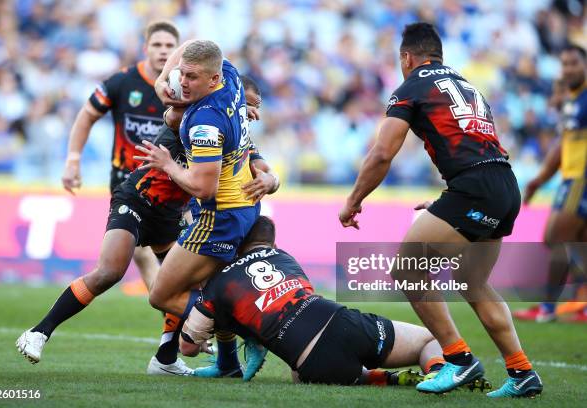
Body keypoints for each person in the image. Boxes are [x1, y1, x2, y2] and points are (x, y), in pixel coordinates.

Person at [16, 77, 278, 375]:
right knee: (110, 272)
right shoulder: (200, 117)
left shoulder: (235, 134)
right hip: (138, 200)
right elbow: (173, 115)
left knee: (185, 286)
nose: (255, 114)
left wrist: (272, 179)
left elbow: (264, 168)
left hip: (171, 215)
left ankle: (167, 359)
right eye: (251, 105)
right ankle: (38, 332)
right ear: (234, 99)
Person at [338, 23, 542, 398]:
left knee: (407, 270)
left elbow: (383, 152)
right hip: (502, 185)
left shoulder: (412, 86)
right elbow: (478, 148)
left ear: (407, 57)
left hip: (474, 191)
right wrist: (450, 202)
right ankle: (522, 372)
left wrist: (353, 200)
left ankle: (459, 361)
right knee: (472, 281)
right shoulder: (468, 86)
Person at [179, 216, 492, 389]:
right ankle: (438, 371)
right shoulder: (284, 257)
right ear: (272, 243)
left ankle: (382, 379)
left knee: (300, 375)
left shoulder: (218, 286)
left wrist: (215, 326)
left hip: (313, 364)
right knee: (429, 339)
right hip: (341, 324)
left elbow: (188, 348)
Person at [135, 40, 267, 379]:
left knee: (162, 293)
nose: (183, 83)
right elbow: (195, 44)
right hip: (242, 204)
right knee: (211, 289)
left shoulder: (205, 123)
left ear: (212, 79)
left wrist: (168, 164)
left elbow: (202, 187)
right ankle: (227, 364)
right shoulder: (232, 76)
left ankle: (253, 332)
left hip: (218, 216)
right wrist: (163, 78)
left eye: (192, 78)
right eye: (183, 75)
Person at [60, 20, 180, 291]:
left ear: (178, 51)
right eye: (157, 45)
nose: (163, 51)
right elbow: (87, 115)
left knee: (180, 254)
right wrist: (73, 160)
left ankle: (180, 316)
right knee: (141, 252)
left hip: (173, 182)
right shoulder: (123, 81)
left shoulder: (185, 87)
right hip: (128, 183)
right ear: (145, 48)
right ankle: (169, 314)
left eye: (169, 46)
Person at [514, 45, 587, 323]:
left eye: (573, 63)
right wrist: (539, 180)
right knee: (579, 243)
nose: (568, 69)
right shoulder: (573, 100)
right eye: (564, 64)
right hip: (571, 178)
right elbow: (561, 147)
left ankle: (547, 308)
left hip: (581, 179)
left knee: (554, 237)